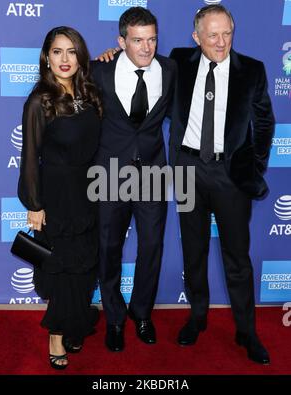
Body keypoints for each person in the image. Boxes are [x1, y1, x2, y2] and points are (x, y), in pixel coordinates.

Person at [168, 5, 274, 364]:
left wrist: (252, 166)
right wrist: (112, 53)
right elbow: (140, 63)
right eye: (212, 35)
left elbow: (265, 121)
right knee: (193, 252)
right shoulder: (179, 62)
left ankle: (247, 331)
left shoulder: (253, 70)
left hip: (230, 176)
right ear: (196, 37)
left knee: (237, 259)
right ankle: (197, 318)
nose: (221, 42)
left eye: (227, 33)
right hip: (188, 170)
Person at [91, 7, 176, 352]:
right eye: (138, 40)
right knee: (108, 246)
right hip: (109, 172)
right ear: (120, 41)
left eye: (152, 39)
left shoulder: (170, 69)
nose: (146, 47)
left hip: (154, 172)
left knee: (152, 246)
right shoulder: (99, 70)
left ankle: (142, 313)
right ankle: (114, 317)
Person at [18, 26, 102, 369]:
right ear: (46, 57)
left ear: (81, 56)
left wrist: (109, 54)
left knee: (85, 267)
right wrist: (34, 204)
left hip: (89, 191)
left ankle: (76, 324)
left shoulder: (89, 91)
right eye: (57, 51)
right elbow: (30, 158)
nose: (64, 59)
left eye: (71, 51)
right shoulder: (41, 100)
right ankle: (56, 336)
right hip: (56, 195)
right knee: (64, 268)